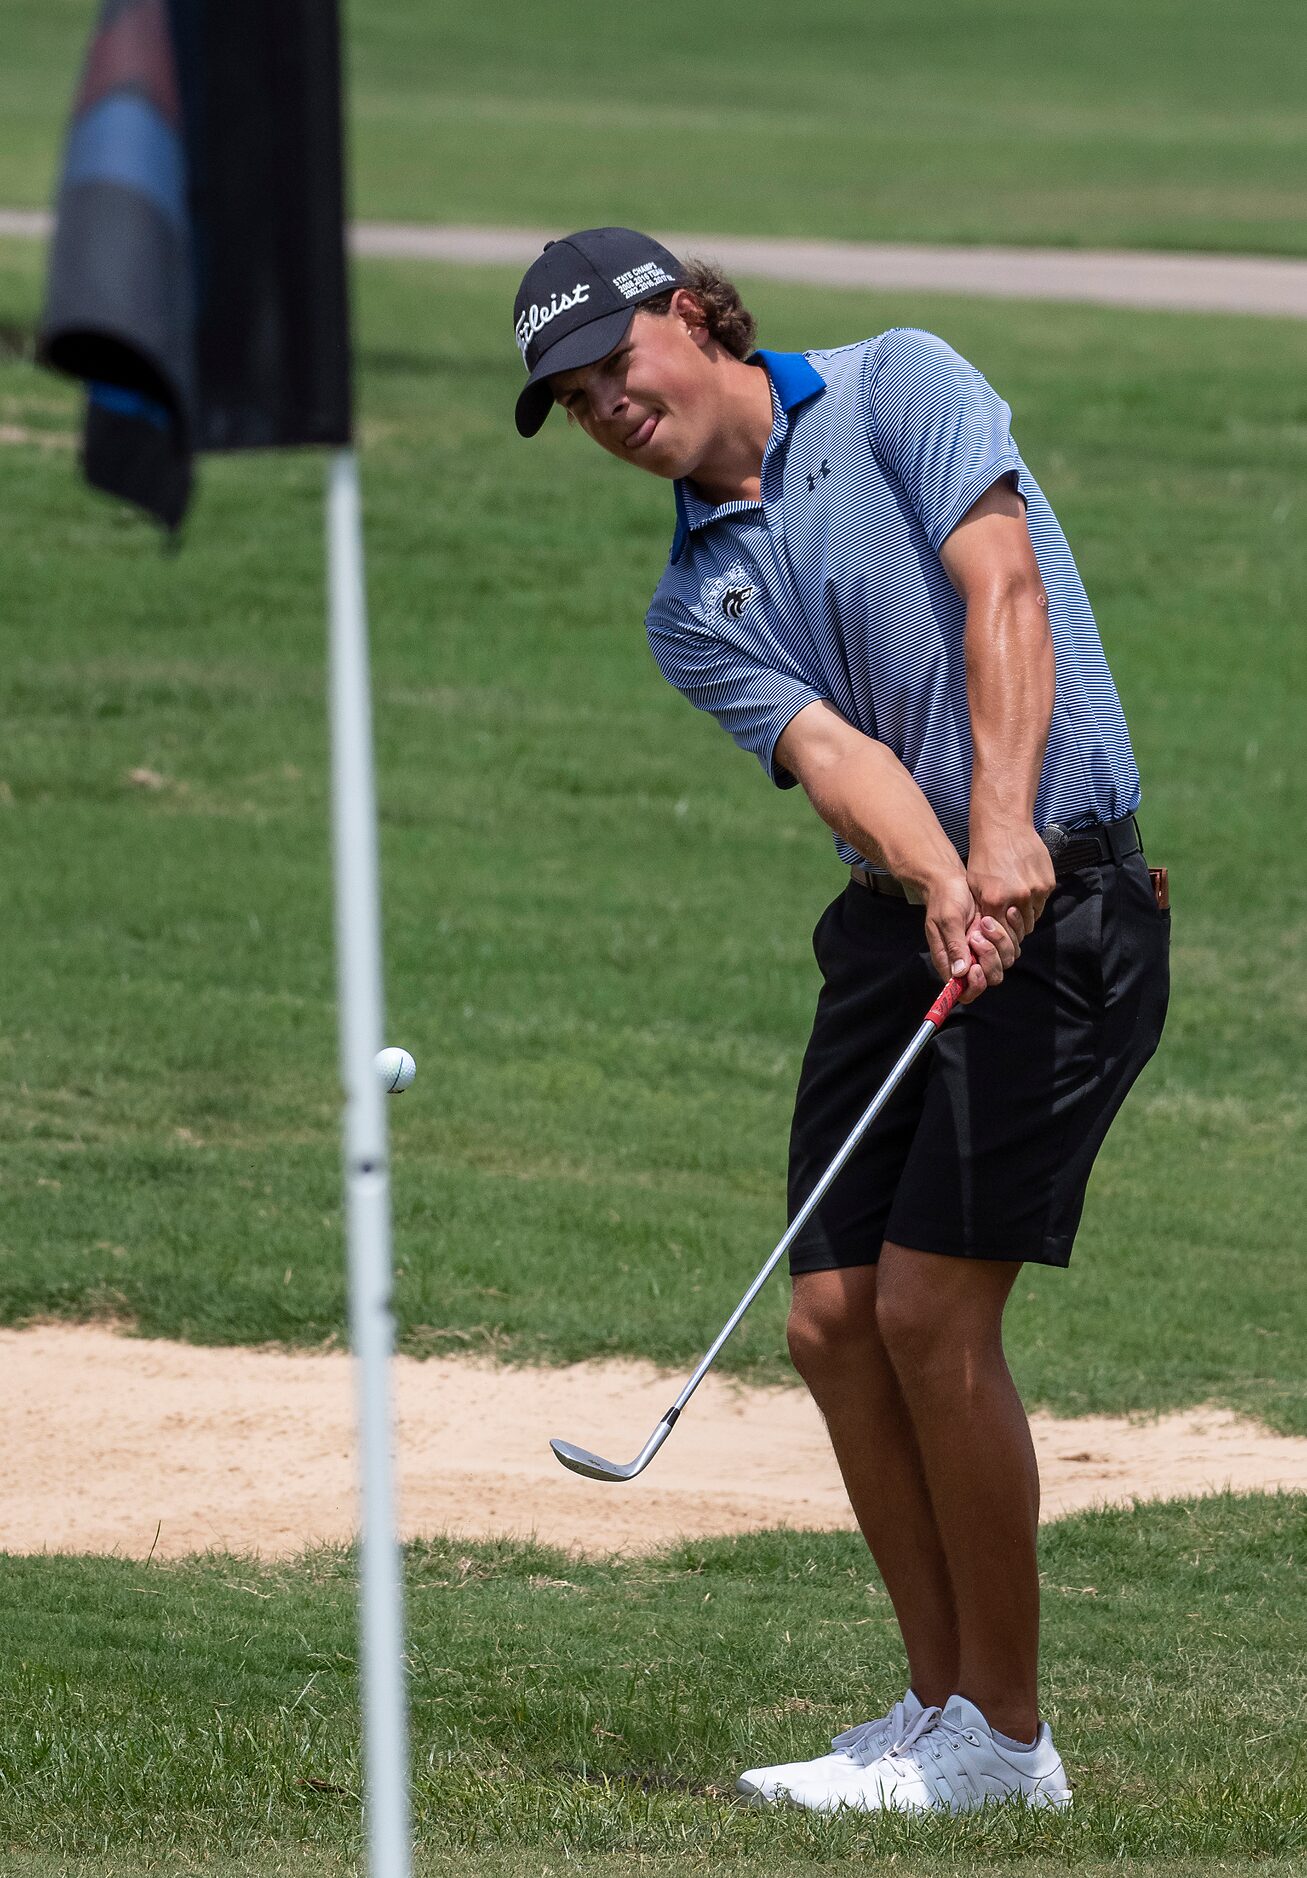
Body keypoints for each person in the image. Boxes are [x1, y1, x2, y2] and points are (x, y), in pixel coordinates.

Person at [511, 227, 1170, 1814]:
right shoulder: (691, 600)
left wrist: (1003, 835)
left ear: (690, 314)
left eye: (616, 364)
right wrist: (943, 868)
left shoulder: (899, 387)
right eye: (573, 398)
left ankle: (1008, 1742)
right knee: (830, 1320)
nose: (606, 406)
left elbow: (1002, 588)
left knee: (936, 1317)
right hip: (905, 924)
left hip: (1071, 902)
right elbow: (833, 758)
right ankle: (940, 1705)